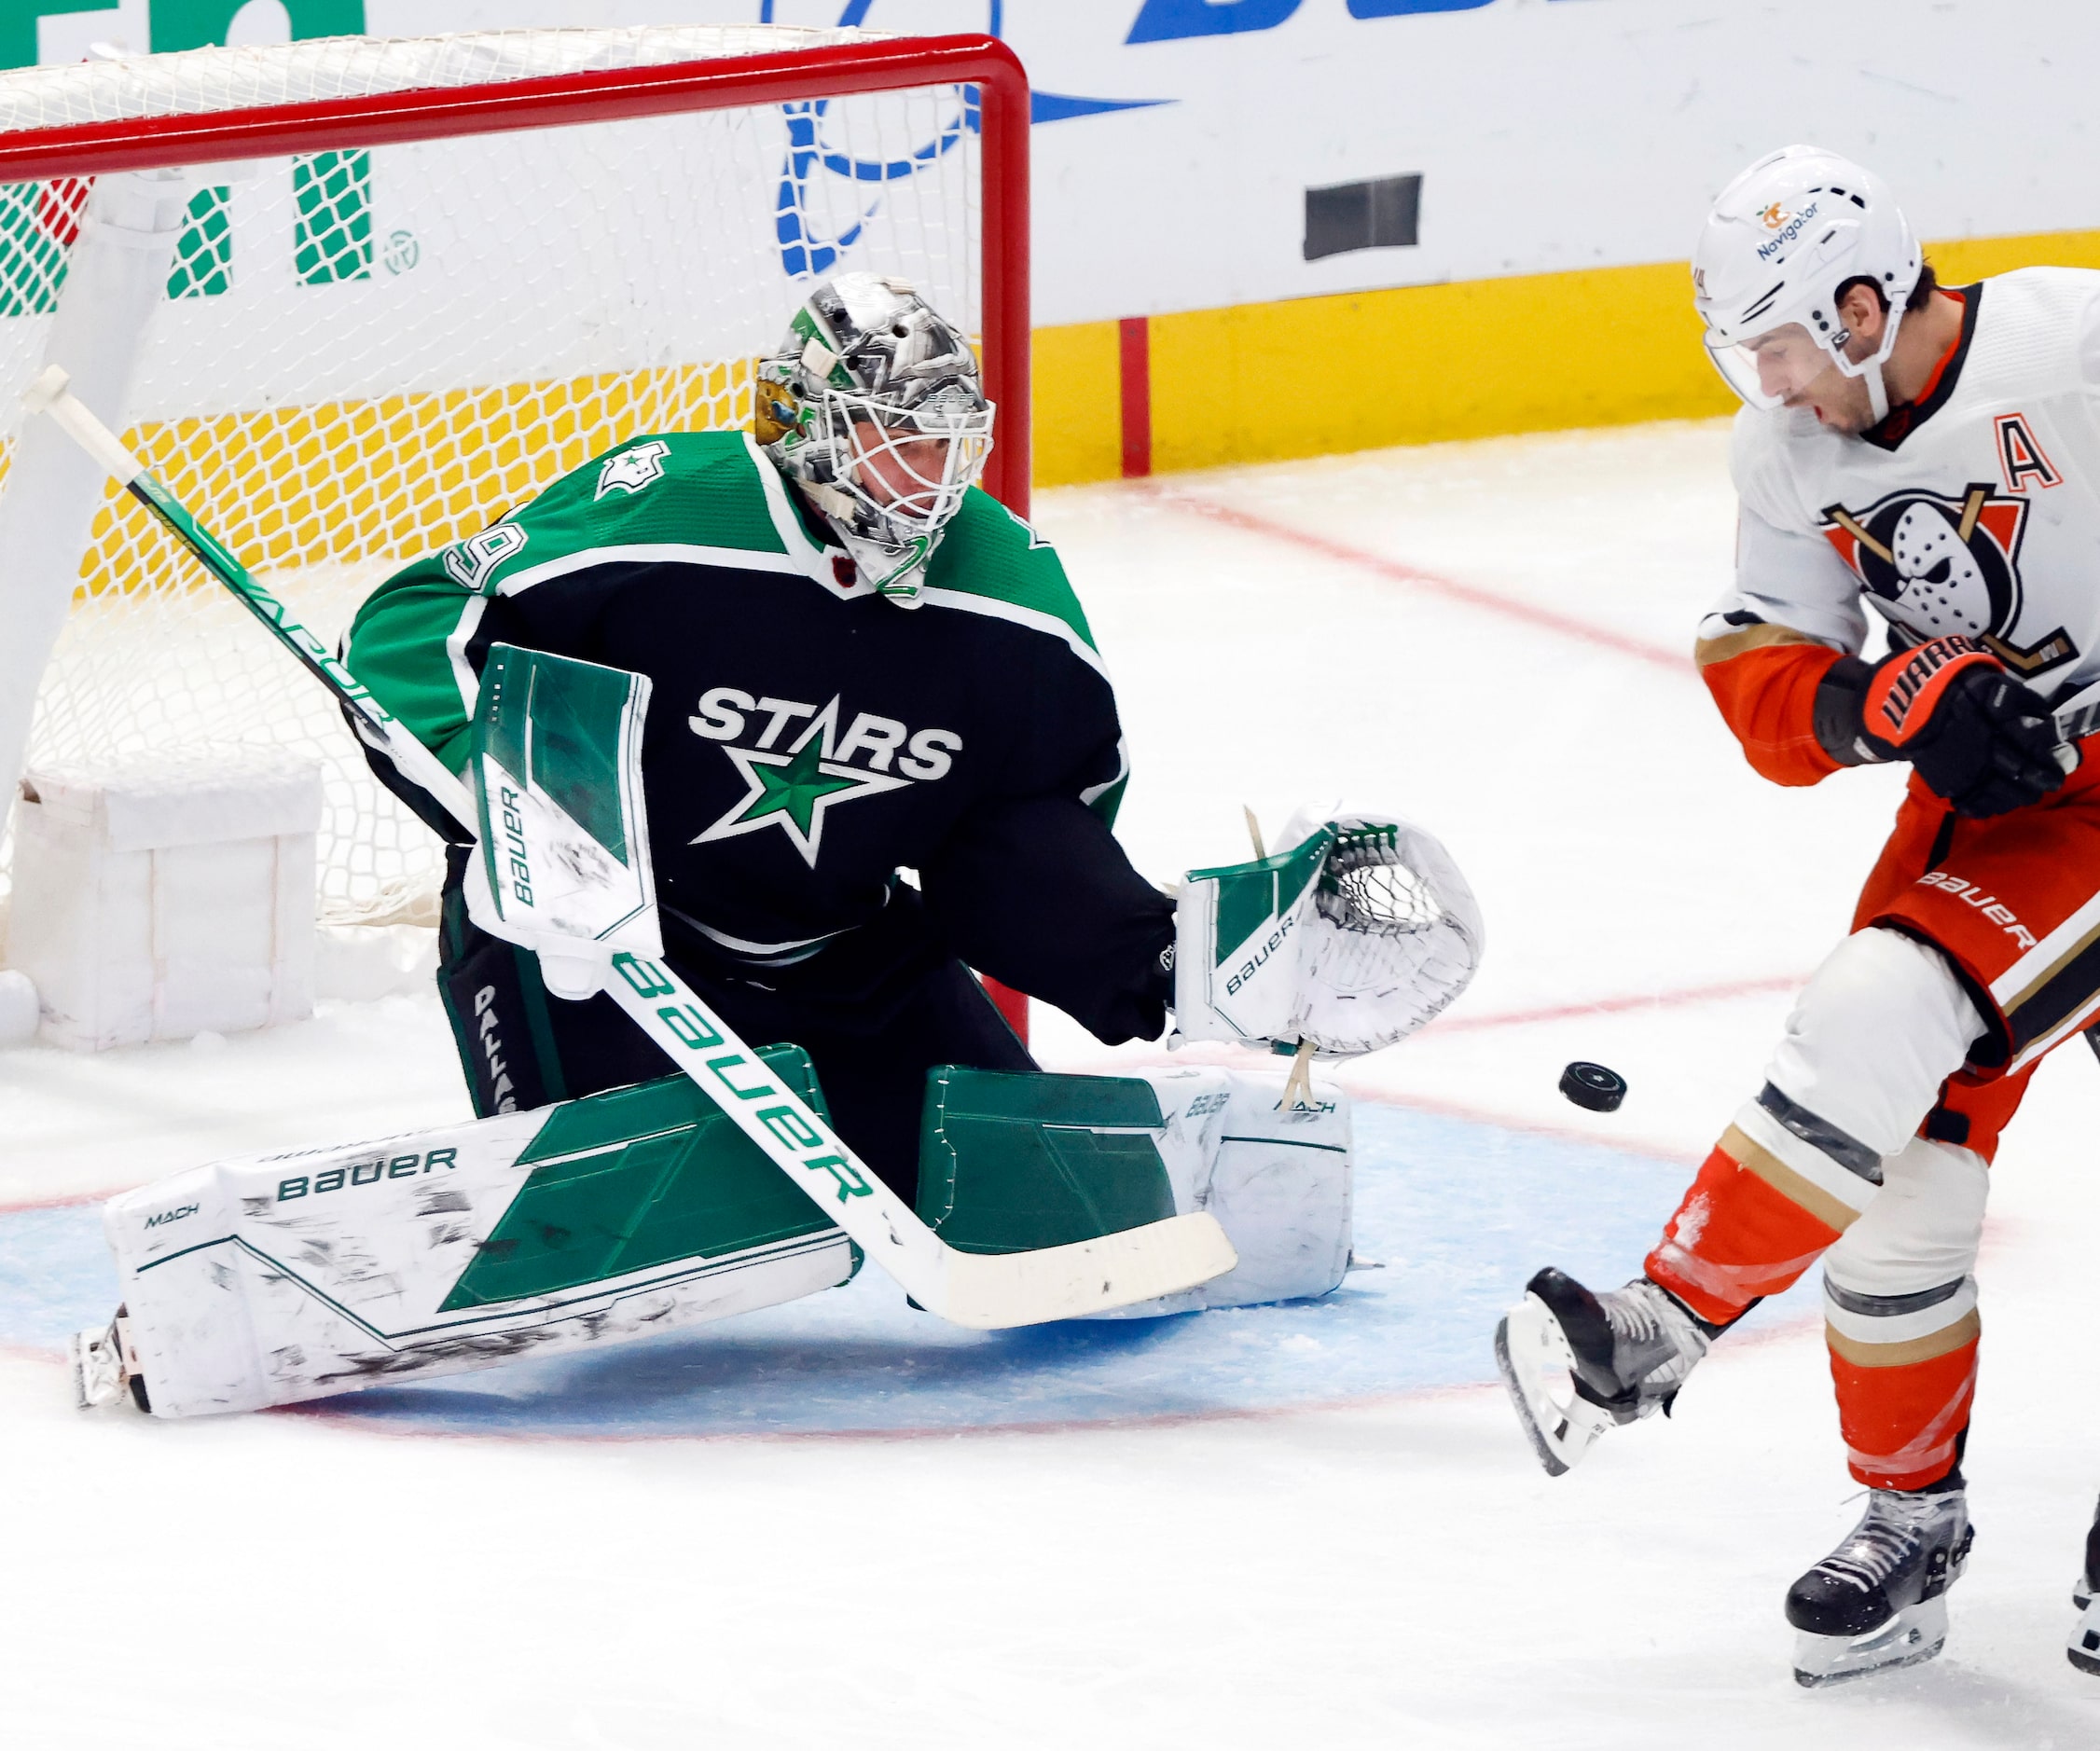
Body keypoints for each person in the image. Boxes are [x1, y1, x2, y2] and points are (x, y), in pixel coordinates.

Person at [1495, 144, 2100, 1685]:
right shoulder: (1783, 459)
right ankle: (1907, 1517)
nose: (1767, 381)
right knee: (1897, 1148)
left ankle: (1661, 1319)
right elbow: (1764, 677)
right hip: (2011, 824)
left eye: (1778, 344)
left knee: (1883, 1014)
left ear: (1858, 295)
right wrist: (1888, 695)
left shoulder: (2070, 343)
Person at [345, 272, 1175, 1207]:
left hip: (843, 955)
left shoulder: (1006, 586)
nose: (929, 476)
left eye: (946, 444)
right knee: (636, 1218)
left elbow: (1054, 821)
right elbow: (415, 623)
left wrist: (1142, 951)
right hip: (601, 951)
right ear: (803, 426)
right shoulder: (672, 503)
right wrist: (504, 802)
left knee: (1060, 1208)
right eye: (894, 439)